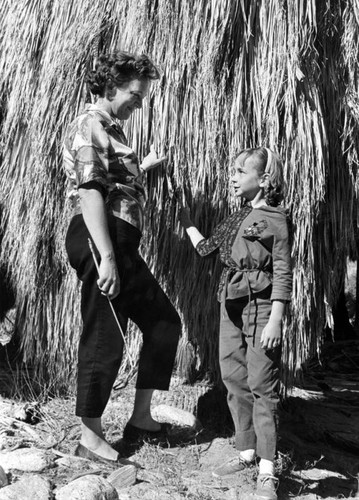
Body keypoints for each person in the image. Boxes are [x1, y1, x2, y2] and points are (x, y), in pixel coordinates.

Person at [63, 51, 181, 463]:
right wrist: (106, 256)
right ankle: (90, 436)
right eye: (136, 93)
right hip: (102, 237)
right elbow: (91, 190)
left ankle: (141, 419)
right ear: (111, 86)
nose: (140, 101)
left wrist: (142, 166)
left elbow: (114, 182)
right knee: (104, 334)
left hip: (120, 239)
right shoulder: (90, 122)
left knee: (164, 323)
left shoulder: (112, 128)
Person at [180, 147, 292, 500]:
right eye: (232, 171)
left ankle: (267, 468)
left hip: (260, 307)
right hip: (229, 303)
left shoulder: (276, 218)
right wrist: (186, 223)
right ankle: (246, 450)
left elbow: (283, 272)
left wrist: (276, 319)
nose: (232, 177)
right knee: (232, 375)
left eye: (240, 172)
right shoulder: (236, 217)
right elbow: (207, 249)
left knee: (262, 382)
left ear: (264, 180)